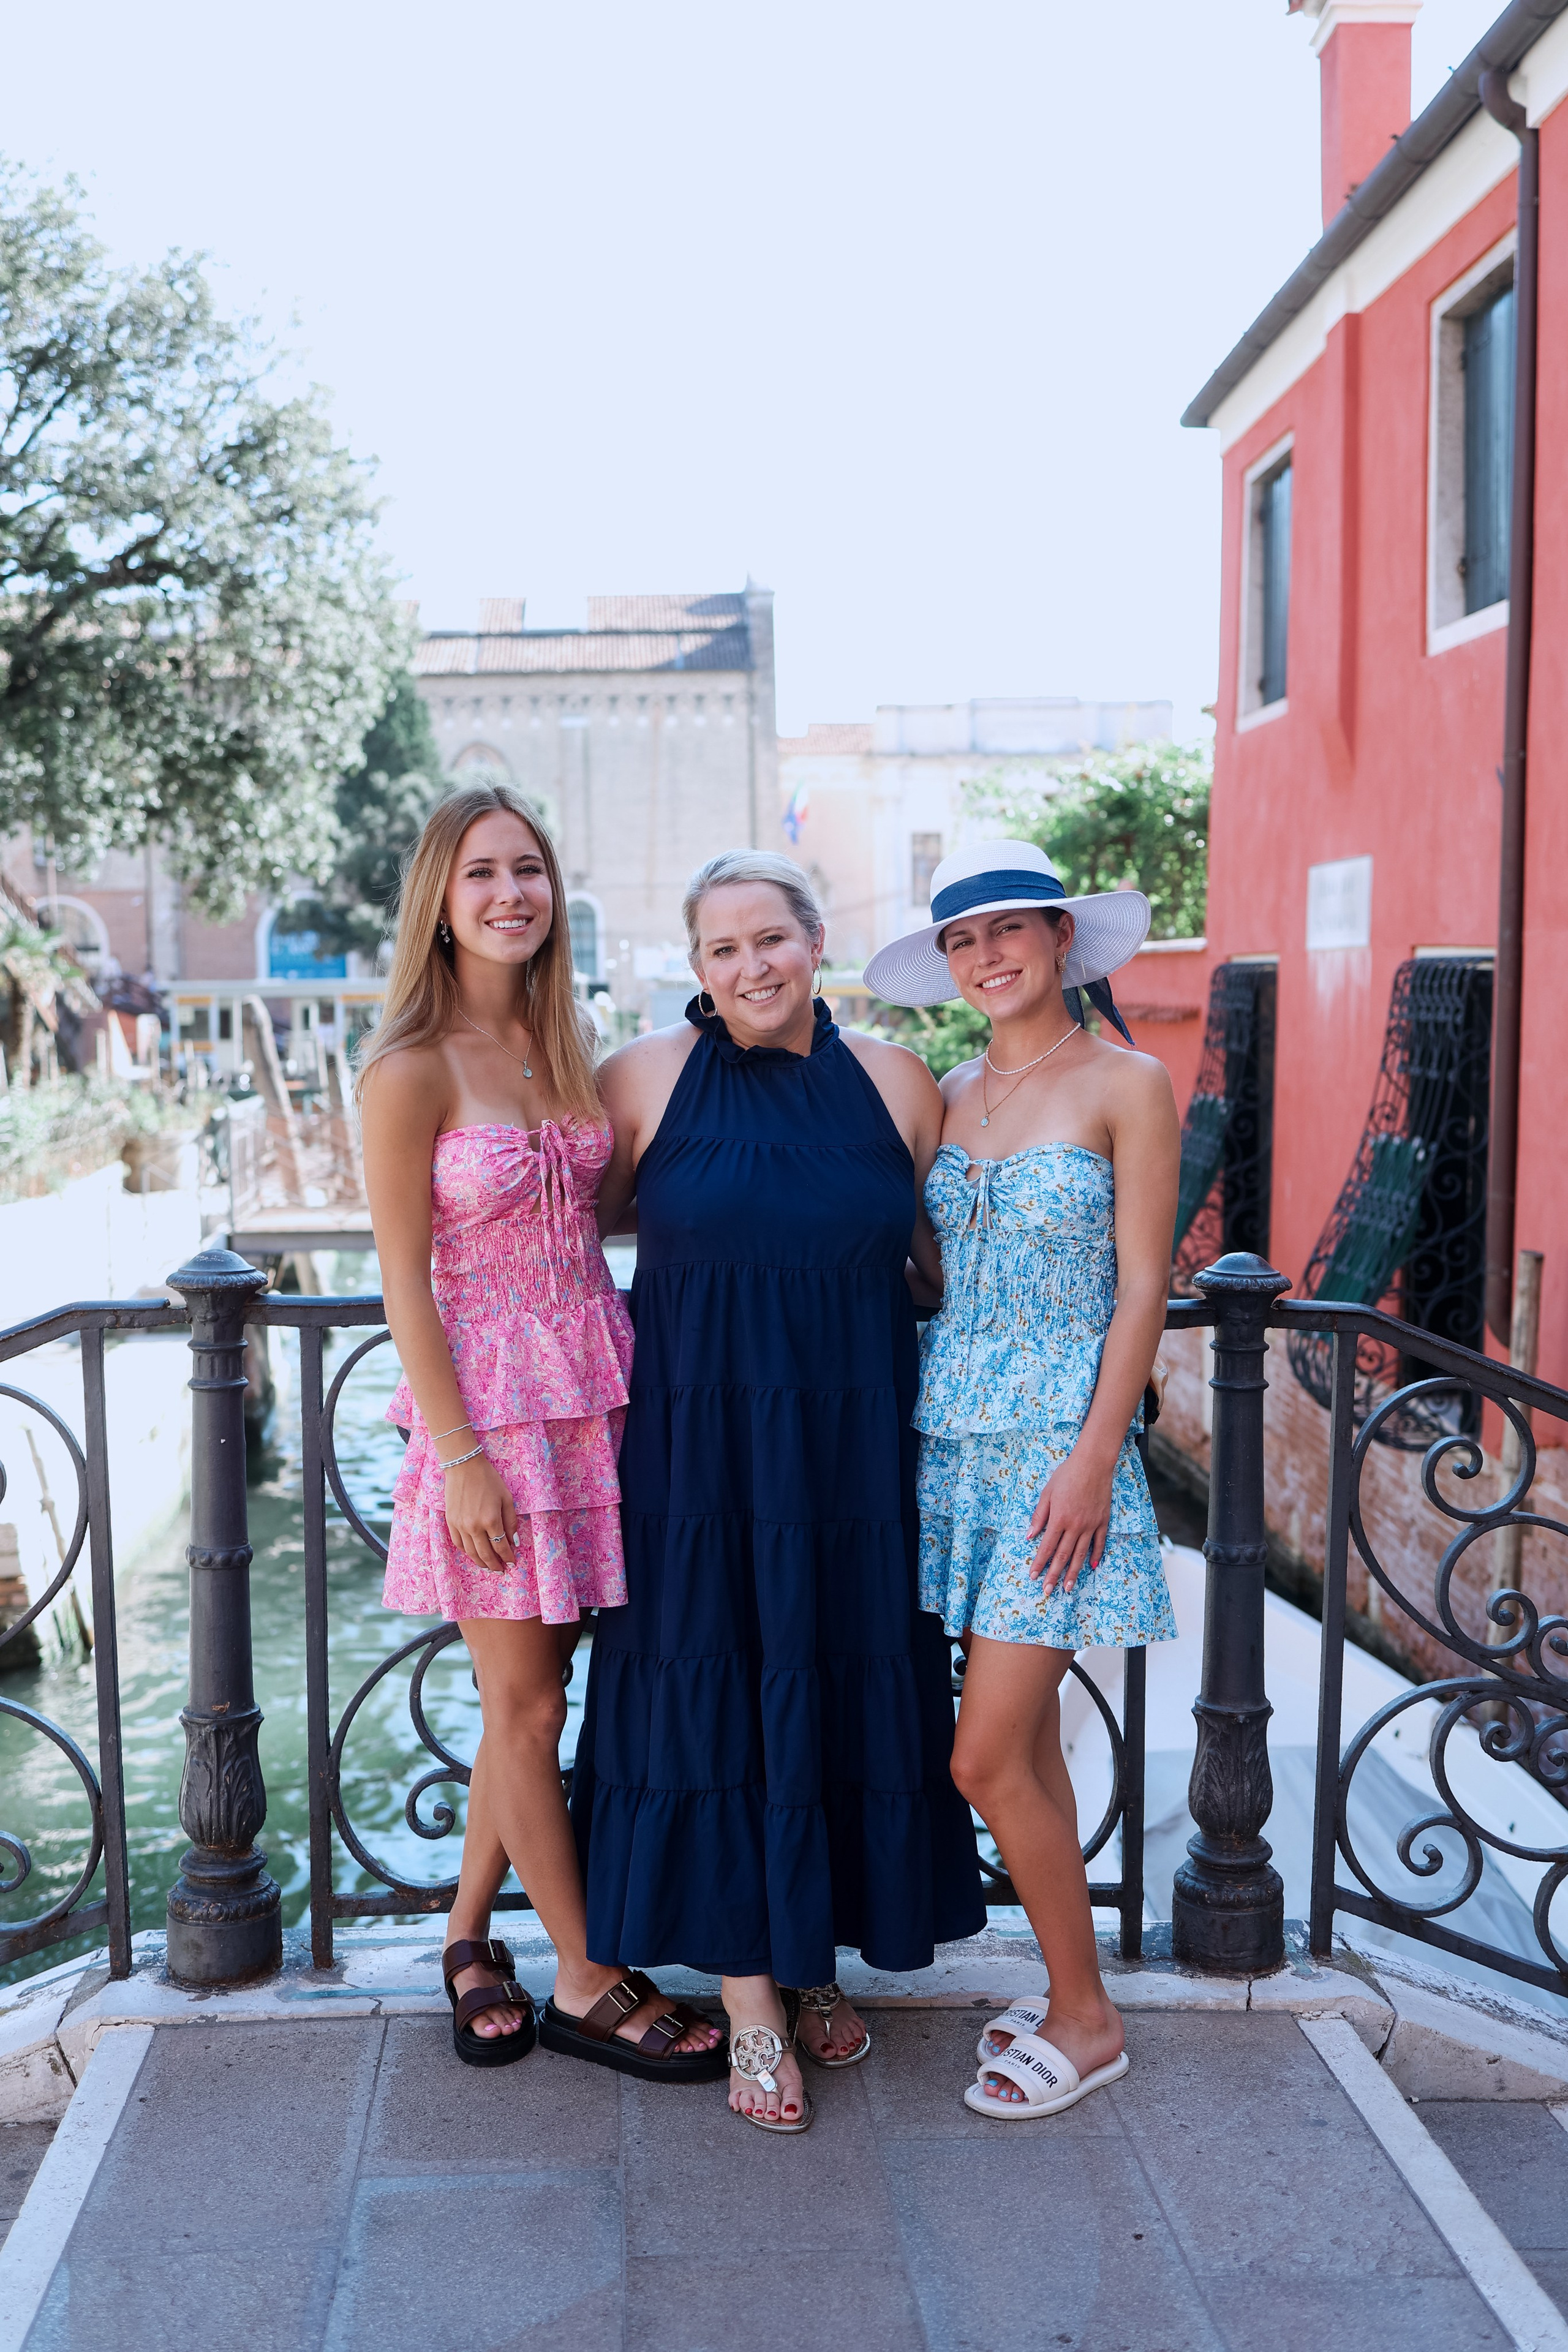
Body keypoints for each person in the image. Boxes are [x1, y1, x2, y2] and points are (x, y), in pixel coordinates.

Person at [570, 849, 985, 2133]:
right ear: (693, 968)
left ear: (818, 942)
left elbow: (937, 1259)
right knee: (718, 1690)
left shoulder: (902, 1086)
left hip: (852, 1448)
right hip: (695, 1454)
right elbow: (558, 1245)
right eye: (720, 949)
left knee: (831, 1676)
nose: (748, 967)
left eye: (769, 939)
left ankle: (809, 1960)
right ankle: (751, 2004)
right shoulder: (638, 1080)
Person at [358, 780, 724, 2079]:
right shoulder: (407, 1067)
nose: (511, 892)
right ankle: (581, 1977)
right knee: (519, 1704)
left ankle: (467, 1939)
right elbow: (404, 1276)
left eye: (529, 869)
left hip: (599, 1395)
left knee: (540, 1696)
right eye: (481, 875)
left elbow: (618, 1206)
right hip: (490, 1420)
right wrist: (455, 1456)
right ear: (440, 907)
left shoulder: (566, 1049)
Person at [864, 839, 1180, 2120]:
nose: (984, 957)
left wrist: (1095, 1458)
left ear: (1060, 940)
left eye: (1005, 931)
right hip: (951, 1451)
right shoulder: (941, 1090)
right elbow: (926, 1267)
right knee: (1029, 1747)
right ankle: (1067, 1988)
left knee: (980, 1760)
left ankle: (1090, 2022)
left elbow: (1145, 1284)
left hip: (1059, 1459)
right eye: (958, 941)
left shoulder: (1126, 1082)